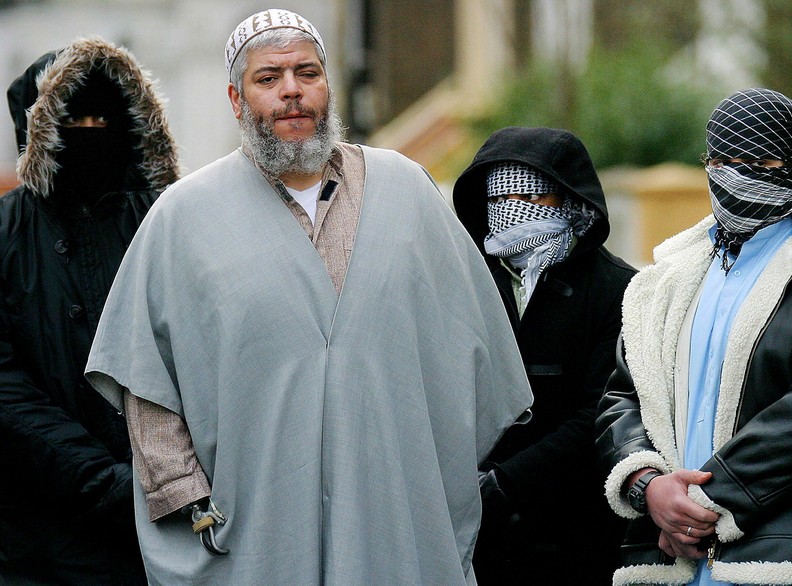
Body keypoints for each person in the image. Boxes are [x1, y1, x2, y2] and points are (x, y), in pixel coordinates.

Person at [84, 9, 533, 585]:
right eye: (268, 79)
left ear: (328, 85)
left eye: (307, 73)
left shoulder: (408, 191)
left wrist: (427, 470)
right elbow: (144, 376)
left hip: (393, 512)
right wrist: (185, 498)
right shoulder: (182, 217)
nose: (292, 92)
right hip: (253, 526)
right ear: (236, 98)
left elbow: (475, 352)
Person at [595, 87, 792, 586]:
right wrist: (648, 486)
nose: (739, 177)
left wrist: (701, 505)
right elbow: (624, 396)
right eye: (723, 161)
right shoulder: (667, 279)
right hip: (676, 564)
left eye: (761, 161)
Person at [0, 38, 179, 584]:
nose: (92, 132)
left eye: (106, 117)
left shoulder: (167, 223)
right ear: (41, 132)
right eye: (75, 119)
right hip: (38, 544)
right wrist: (104, 481)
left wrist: (169, 476)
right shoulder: (7, 233)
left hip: (164, 533)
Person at [452, 126, 636, 584]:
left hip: (577, 536)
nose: (512, 212)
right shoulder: (464, 280)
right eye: (499, 201)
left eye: (531, 200)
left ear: (569, 201)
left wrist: (506, 482)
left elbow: (603, 410)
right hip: (479, 540)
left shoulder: (619, 288)